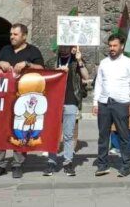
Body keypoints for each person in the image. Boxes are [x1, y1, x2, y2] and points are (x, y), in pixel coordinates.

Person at [0, 23, 45, 179]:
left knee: (20, 130)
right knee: (1, 130)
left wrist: (28, 64)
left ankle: (17, 164)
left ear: (24, 36)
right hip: (4, 99)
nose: (12, 37)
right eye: (11, 34)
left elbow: (43, 69)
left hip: (24, 99)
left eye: (15, 34)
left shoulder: (33, 51)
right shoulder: (5, 50)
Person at [93, 34, 130, 178]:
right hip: (104, 103)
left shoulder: (129, 63)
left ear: (122, 46)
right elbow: (99, 83)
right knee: (103, 135)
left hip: (121, 103)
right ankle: (102, 164)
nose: (112, 48)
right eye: (110, 46)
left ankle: (125, 164)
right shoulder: (104, 63)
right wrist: (95, 102)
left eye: (115, 46)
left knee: (123, 135)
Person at [43, 46, 88, 177]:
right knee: (52, 135)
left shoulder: (75, 61)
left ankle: (68, 162)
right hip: (54, 103)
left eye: (66, 45)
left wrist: (80, 61)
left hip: (70, 100)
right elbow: (44, 80)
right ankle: (51, 162)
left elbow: (85, 76)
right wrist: (55, 72)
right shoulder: (52, 62)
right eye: (61, 45)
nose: (63, 48)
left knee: (68, 135)